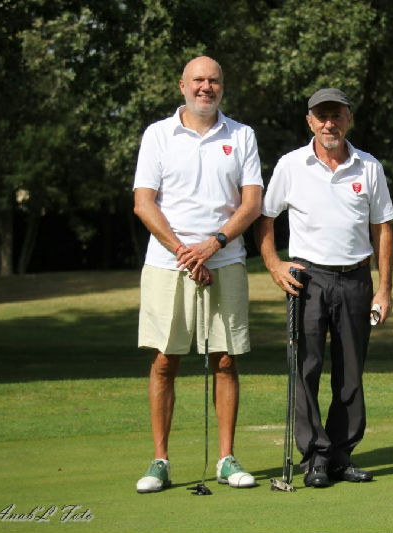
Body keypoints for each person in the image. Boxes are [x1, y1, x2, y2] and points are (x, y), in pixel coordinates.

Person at [132, 56, 263, 493]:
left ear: (222, 86)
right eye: (198, 80)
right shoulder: (158, 135)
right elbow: (144, 203)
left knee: (225, 360)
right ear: (182, 85)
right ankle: (160, 460)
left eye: (214, 81)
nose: (206, 87)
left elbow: (251, 204)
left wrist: (213, 245)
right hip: (167, 262)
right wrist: (185, 252)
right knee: (165, 360)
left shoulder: (241, 135)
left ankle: (226, 459)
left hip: (225, 259)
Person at [255, 88, 393, 488]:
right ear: (310, 121)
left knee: (350, 371)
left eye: (336, 116)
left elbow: (383, 228)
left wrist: (384, 289)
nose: (329, 124)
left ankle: (340, 455)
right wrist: (273, 264)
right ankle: (315, 456)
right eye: (322, 116)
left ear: (348, 119)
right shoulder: (291, 165)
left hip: (356, 278)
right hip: (308, 279)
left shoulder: (369, 167)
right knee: (306, 368)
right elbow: (265, 218)